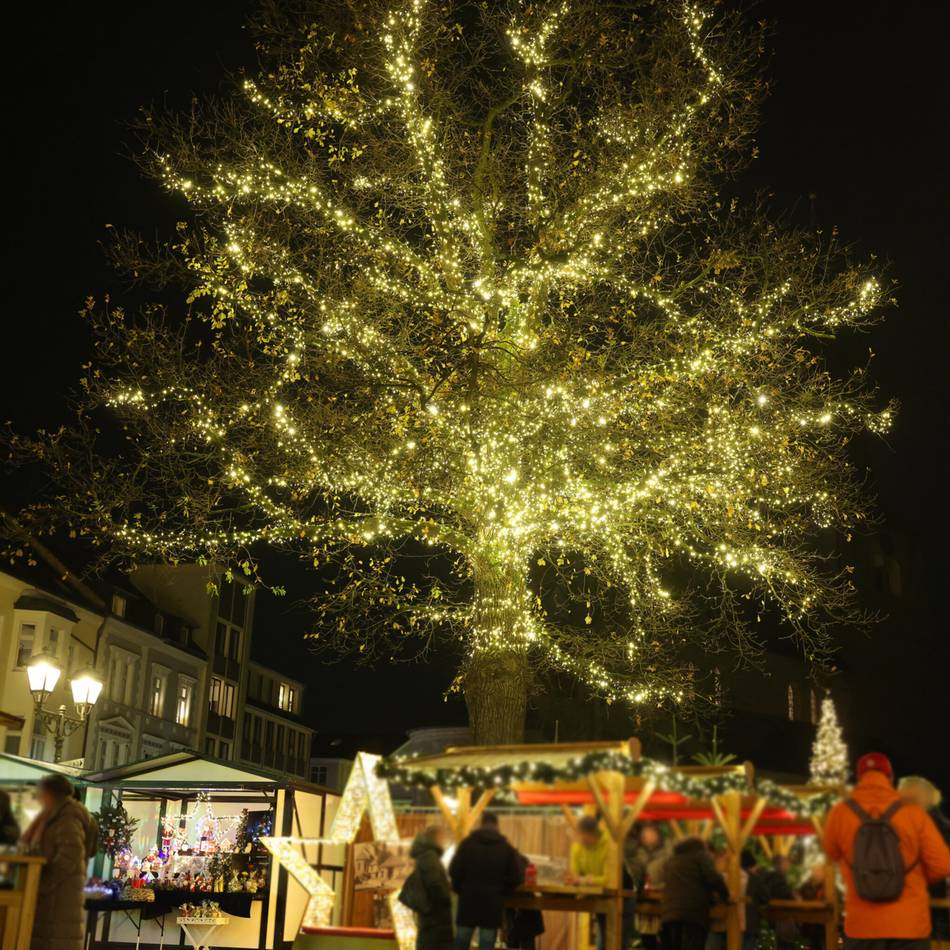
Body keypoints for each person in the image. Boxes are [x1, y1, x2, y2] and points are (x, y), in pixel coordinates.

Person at [823, 752, 950, 948]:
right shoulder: (913, 812)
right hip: (910, 927)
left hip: (862, 928)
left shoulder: (841, 812)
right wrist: (911, 876)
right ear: (890, 778)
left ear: (859, 777)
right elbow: (942, 865)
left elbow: (829, 856)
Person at [21, 774, 97, 950]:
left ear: (50, 793)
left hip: (58, 900)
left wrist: (43, 885)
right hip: (58, 899)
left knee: (54, 941)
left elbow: (70, 856)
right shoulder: (57, 815)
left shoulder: (67, 816)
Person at [450, 813, 523, 950]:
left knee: (462, 939)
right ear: (496, 825)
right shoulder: (505, 847)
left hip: (468, 899)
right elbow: (517, 877)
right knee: (487, 941)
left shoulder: (467, 844)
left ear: (481, 824)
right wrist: (503, 893)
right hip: (492, 902)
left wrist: (461, 889)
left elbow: (454, 870)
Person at [899, 775, 950, 941]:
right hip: (937, 913)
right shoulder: (944, 827)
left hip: (923, 913)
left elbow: (942, 867)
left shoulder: (915, 825)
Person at [659, 837, 729, 950]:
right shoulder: (700, 856)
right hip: (693, 913)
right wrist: (727, 896)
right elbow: (713, 878)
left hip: (669, 914)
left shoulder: (672, 860)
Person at [404, 826, 454, 950]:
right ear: (435, 839)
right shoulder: (430, 857)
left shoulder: (425, 856)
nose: (444, 841)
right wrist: (448, 899)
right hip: (435, 919)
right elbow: (434, 884)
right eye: (442, 837)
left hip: (430, 919)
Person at [796, 862, 827, 950]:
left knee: (822, 945)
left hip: (823, 924)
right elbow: (796, 895)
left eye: (819, 871)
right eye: (814, 870)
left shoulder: (828, 886)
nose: (816, 873)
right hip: (809, 924)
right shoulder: (807, 885)